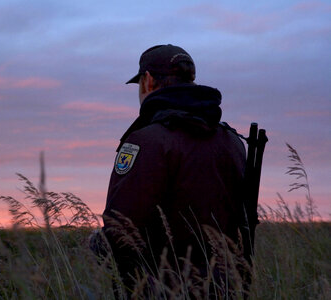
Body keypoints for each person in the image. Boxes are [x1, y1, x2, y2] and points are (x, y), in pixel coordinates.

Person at [100, 44, 248, 298]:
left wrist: (97, 245)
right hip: (227, 287)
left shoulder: (146, 141)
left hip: (165, 288)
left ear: (147, 81)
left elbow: (120, 229)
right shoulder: (233, 141)